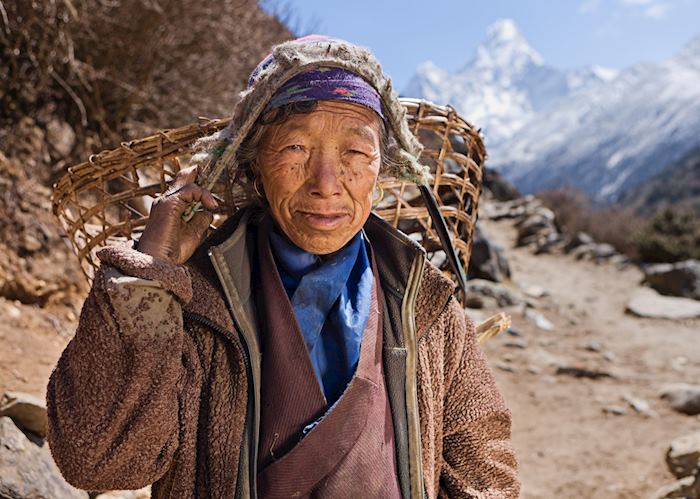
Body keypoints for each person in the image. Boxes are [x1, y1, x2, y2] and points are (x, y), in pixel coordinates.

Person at [47, 36, 519, 498]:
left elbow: (486, 471)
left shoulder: (424, 305)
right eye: (295, 149)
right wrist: (153, 267)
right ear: (255, 166)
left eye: (355, 153)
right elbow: (98, 459)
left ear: (382, 169)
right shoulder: (196, 301)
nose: (326, 184)